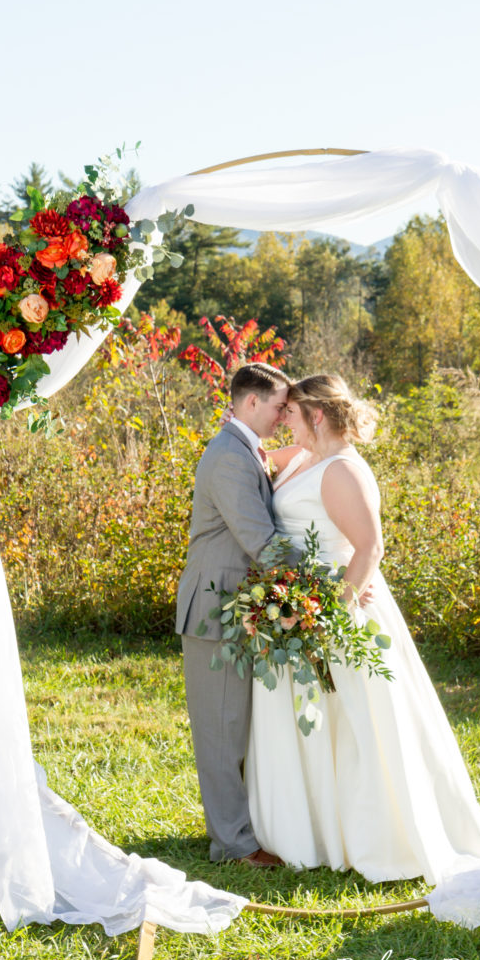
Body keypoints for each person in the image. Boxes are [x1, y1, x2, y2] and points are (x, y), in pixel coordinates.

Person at [246, 375, 480, 883]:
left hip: (333, 608)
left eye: (291, 412)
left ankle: (365, 835)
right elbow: (254, 458)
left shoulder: (344, 471)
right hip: (296, 601)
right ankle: (303, 828)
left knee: (354, 726)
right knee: (309, 722)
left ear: (318, 415)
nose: (283, 419)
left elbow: (370, 548)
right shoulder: (306, 457)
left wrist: (324, 615)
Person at [176, 363, 290, 866]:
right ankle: (232, 844)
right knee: (221, 727)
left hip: (234, 603)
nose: (284, 416)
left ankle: (240, 827)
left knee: (235, 723)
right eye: (279, 406)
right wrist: (328, 577)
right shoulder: (228, 457)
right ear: (251, 403)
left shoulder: (243, 449)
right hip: (213, 607)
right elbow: (260, 538)